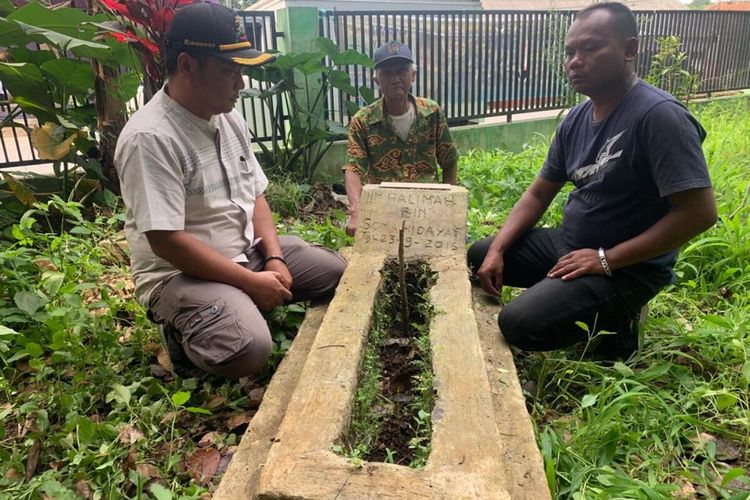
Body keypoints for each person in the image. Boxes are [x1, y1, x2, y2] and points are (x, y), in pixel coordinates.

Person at [468, 2, 717, 360]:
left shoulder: (659, 116)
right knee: (480, 255)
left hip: (628, 266)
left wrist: (607, 259)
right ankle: (570, 294)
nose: (575, 60)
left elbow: (700, 213)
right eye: (569, 51)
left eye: (590, 48)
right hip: (571, 244)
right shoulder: (576, 118)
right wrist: (497, 250)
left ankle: (619, 320)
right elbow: (539, 194)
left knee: (519, 322)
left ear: (629, 50)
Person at [115, 2, 346, 378]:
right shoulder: (151, 137)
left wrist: (273, 258)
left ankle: (235, 303)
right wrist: (250, 283)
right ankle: (183, 336)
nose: (241, 85)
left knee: (334, 271)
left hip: (245, 253)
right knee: (249, 350)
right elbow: (166, 242)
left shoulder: (228, 116)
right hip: (180, 274)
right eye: (229, 72)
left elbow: (255, 194)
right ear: (188, 65)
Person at [343, 41, 458, 236]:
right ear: (376, 80)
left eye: (401, 71)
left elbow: (449, 159)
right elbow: (353, 168)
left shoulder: (432, 112)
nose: (395, 78)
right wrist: (356, 208)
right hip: (384, 210)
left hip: (427, 208)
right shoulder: (363, 121)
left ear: (413, 75)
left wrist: (447, 204)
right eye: (386, 73)